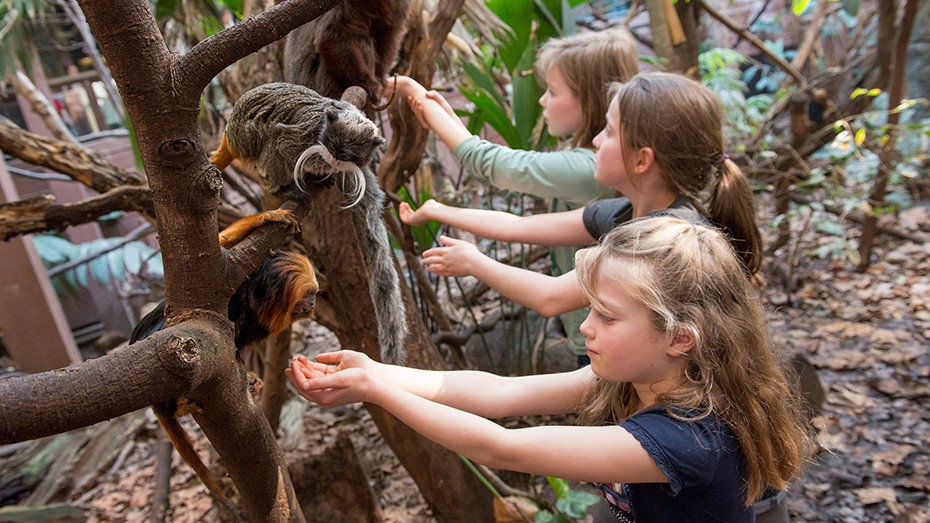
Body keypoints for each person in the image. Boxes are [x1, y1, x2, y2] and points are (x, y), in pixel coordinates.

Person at [286, 217, 811, 522]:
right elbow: (500, 394)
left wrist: (376, 390)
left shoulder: (689, 439)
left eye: (606, 316)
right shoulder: (635, 380)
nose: (585, 327)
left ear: (680, 338)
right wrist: (378, 371)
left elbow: (502, 446)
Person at [398, 72, 763, 320]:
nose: (595, 140)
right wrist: (439, 210)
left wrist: (475, 263)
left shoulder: (665, 240)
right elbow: (517, 226)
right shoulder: (627, 211)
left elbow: (552, 297)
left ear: (642, 159)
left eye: (609, 131)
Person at [393, 27, 640, 364]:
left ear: (588, 99)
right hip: (593, 332)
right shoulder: (594, 161)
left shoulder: (588, 169)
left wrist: (410, 88)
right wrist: (438, 209)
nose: (541, 100)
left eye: (552, 92)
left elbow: (488, 162)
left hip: (606, 340)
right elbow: (515, 225)